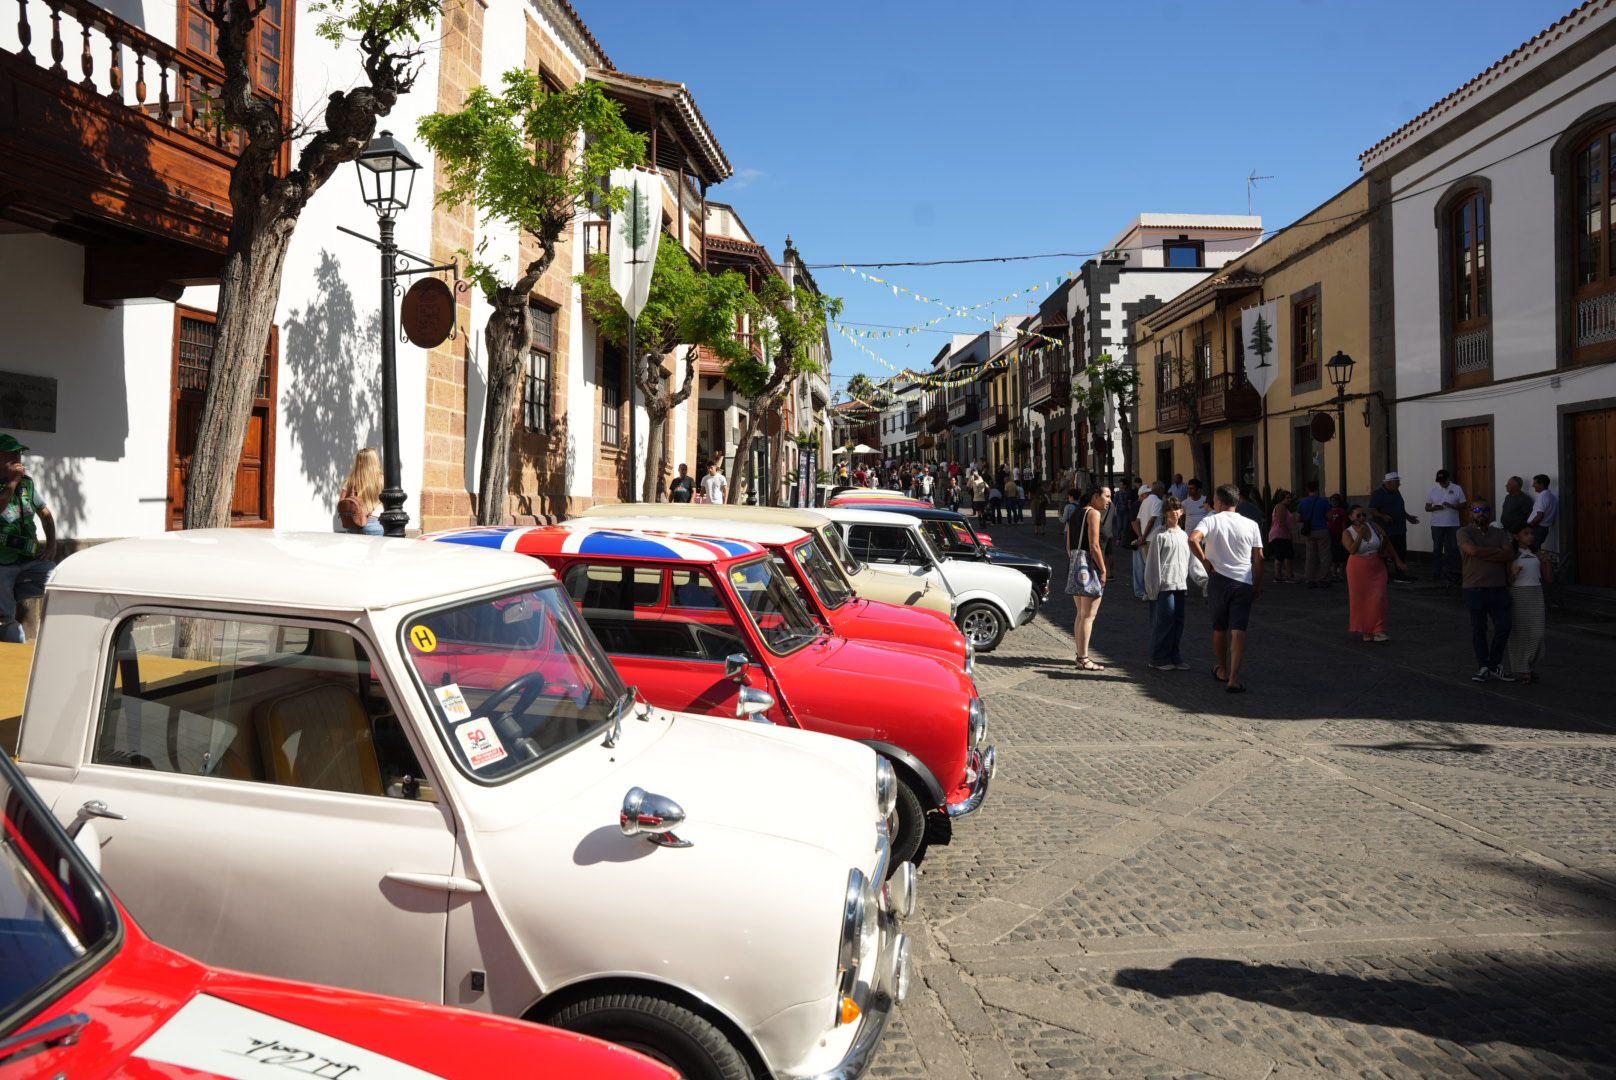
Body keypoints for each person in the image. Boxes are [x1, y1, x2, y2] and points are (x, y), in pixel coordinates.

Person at [1189, 484, 1265, 694]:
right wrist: (1257, 585)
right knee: (1239, 629)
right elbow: (1259, 558)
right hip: (1243, 581)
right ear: (1236, 502)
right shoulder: (1251, 524)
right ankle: (1234, 677)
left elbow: (1193, 539)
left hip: (1219, 580)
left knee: (1219, 627)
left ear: (1220, 502)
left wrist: (1205, 561)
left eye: (1214, 499)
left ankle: (1222, 668)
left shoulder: (1211, 520)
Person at [0, 434, 56, 644]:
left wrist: (52, 544)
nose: (18, 459)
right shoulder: (13, 483)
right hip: (2, 563)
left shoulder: (27, 485)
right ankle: (14, 655)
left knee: (58, 582)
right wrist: (12, 482)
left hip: (30, 558)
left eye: (19, 454)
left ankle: (10, 594)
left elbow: (46, 515)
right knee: (5, 618)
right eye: (12, 454)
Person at [1458, 499, 1515, 682]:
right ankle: (1483, 665)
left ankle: (1494, 664)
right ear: (1470, 512)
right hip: (1474, 588)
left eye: (1484, 510)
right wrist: (1496, 552)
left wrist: (1484, 552)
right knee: (1479, 629)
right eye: (1476, 510)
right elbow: (1471, 551)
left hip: (1499, 588)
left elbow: (1509, 554)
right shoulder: (1463, 532)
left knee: (1504, 627)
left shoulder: (1499, 532)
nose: (1480, 513)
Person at [1144, 496, 1197, 671]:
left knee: (1178, 623)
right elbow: (1152, 565)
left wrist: (1203, 581)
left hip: (1180, 585)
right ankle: (1158, 657)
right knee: (1163, 623)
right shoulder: (1159, 536)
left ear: (1182, 512)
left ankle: (1174, 655)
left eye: (1177, 508)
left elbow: (1192, 562)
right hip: (1164, 586)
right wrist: (1152, 590)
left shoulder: (1184, 536)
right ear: (1165, 513)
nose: (1174, 512)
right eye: (1170, 509)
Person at [1342, 504, 1407, 643]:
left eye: (1363, 515)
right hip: (1358, 568)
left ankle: (1379, 630)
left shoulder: (1374, 526)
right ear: (1350, 517)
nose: (1361, 518)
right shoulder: (1347, 532)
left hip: (1377, 566)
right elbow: (1352, 550)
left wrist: (1397, 560)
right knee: (1362, 601)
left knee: (1379, 597)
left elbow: (1387, 542)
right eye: (1358, 515)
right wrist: (1360, 534)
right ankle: (1367, 631)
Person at [1066, 486, 1111, 671]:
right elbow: (1094, 545)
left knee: (1080, 614)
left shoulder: (1076, 512)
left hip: (1076, 564)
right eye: (1107, 496)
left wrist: (1076, 562)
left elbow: (1068, 545)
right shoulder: (1093, 514)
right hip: (1088, 566)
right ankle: (1084, 658)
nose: (1109, 500)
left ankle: (1080, 656)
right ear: (1095, 496)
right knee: (1089, 616)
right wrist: (1103, 569)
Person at [1506, 525, 1551, 684]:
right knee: (1520, 632)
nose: (1530, 536)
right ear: (1517, 536)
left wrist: (1546, 562)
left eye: (1531, 533)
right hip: (1518, 594)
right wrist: (1513, 574)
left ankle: (1530, 664)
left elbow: (1548, 578)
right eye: (1526, 533)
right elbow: (1507, 581)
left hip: (1535, 593)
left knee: (1538, 633)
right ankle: (1523, 669)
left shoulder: (1536, 553)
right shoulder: (1511, 554)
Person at [1369, 472, 1419, 583]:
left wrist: (1408, 517)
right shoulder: (1378, 494)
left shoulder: (1396, 492)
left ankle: (1400, 575)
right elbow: (1372, 510)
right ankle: (1384, 575)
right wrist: (1383, 516)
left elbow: (1400, 508)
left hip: (1400, 529)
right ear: (1388, 483)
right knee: (1385, 553)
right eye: (1397, 482)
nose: (1399, 484)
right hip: (1386, 530)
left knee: (1401, 552)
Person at [1425, 469, 1466, 583]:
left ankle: (1454, 572)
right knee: (1437, 548)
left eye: (1443, 481)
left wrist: (1452, 506)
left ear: (1448, 479)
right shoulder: (1432, 490)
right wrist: (1435, 508)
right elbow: (1427, 507)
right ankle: (1436, 572)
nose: (1441, 483)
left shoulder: (1457, 488)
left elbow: (1464, 504)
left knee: (1453, 548)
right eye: (1439, 481)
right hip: (1437, 525)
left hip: (1453, 524)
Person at [337, 448, 384, 536]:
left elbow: (341, 503)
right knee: (375, 550)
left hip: (354, 524)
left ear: (358, 461)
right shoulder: (382, 480)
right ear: (375, 461)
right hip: (374, 523)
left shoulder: (350, 480)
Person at [1295, 480, 1332, 588]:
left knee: (1310, 556)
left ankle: (1310, 578)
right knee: (1324, 556)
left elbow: (1297, 518)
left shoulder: (1303, 502)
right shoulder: (1323, 501)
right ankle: (1323, 578)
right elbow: (1329, 517)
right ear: (1317, 489)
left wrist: (1306, 520)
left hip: (1309, 531)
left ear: (1307, 490)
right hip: (1322, 530)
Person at [1132, 481, 1164, 602]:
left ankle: (1148, 591)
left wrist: (1141, 536)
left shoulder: (1144, 502)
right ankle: (1154, 591)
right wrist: (1144, 536)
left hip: (1146, 539)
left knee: (1147, 566)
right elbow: (1152, 520)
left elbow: (1137, 521)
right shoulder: (1158, 502)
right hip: (1153, 538)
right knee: (1156, 566)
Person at [1268, 490, 1296, 584]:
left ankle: (1285, 575)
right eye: (1287, 497)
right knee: (1282, 555)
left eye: (1290, 497)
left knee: (1288, 554)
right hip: (1279, 534)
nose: (1289, 499)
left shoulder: (1284, 507)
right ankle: (1280, 576)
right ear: (1282, 498)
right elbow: (1281, 521)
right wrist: (1289, 532)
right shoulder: (1280, 506)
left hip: (1282, 535)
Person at [1528, 474, 1558, 552]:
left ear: (1541, 484)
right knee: (1536, 548)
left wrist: (1529, 525)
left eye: (1535, 483)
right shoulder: (1552, 496)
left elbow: (1540, 515)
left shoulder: (1542, 496)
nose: (1533, 485)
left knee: (1532, 550)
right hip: (1543, 528)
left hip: (1537, 528)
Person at [1326, 493, 1350, 583]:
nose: (1333, 502)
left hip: (1339, 534)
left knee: (1340, 555)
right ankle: (1334, 572)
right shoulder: (1329, 511)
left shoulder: (1341, 511)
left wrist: (1344, 535)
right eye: (1332, 500)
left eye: (1335, 500)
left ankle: (1341, 574)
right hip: (1331, 534)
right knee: (1333, 554)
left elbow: (1343, 523)